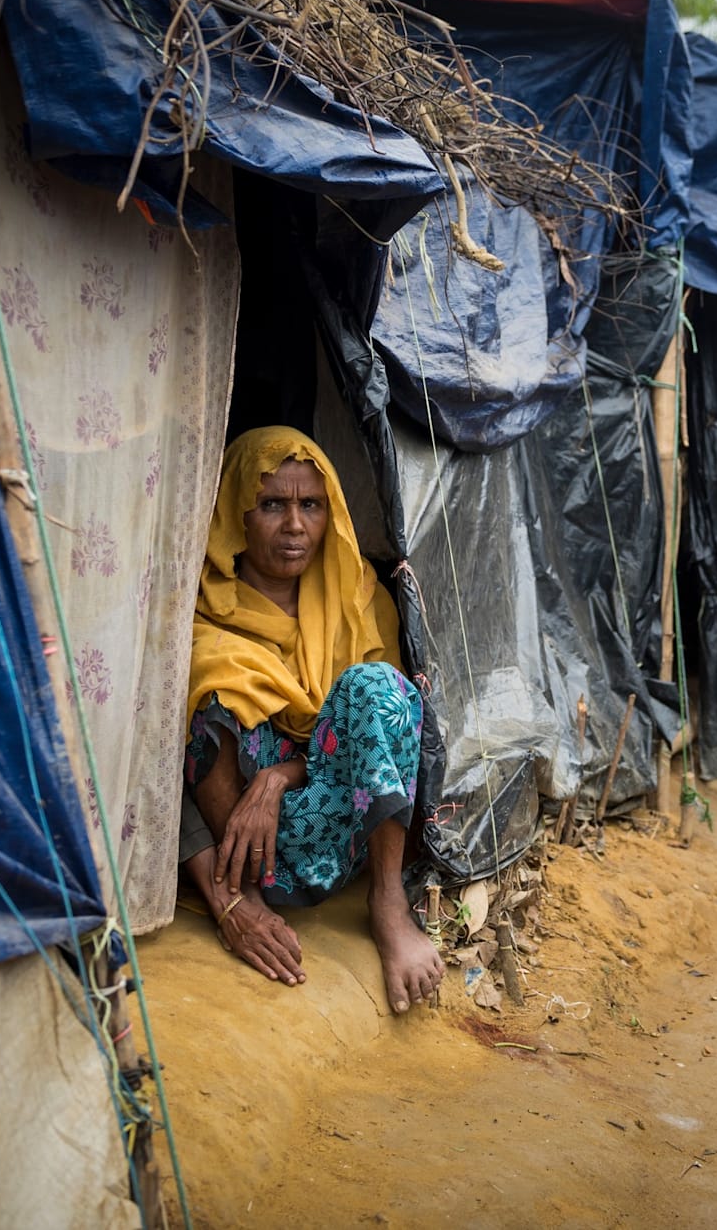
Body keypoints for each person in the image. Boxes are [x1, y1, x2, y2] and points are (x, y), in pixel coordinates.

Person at [179, 426, 443, 1012]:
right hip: (253, 848)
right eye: (272, 504)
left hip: (346, 825)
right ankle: (240, 890)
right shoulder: (197, 603)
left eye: (311, 505)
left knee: (374, 686)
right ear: (235, 514)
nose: (295, 525)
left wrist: (278, 779)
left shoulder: (357, 598)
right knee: (211, 685)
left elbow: (380, 732)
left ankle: (387, 903)